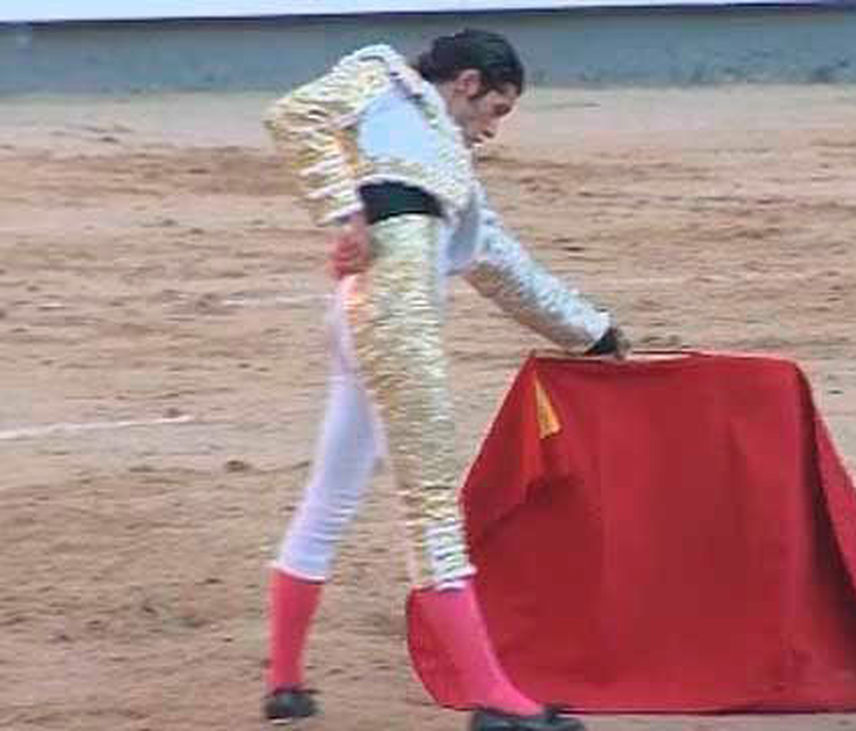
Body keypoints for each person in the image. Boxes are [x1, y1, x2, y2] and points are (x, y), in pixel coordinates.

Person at [261, 29, 628, 729]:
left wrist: (593, 331)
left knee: (331, 495)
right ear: (466, 84)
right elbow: (293, 114)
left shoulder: (454, 174)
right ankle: (495, 700)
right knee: (430, 505)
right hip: (395, 322)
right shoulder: (380, 75)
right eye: (496, 108)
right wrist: (343, 214)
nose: (492, 128)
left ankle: (285, 683)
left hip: (356, 315)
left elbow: (507, 272)